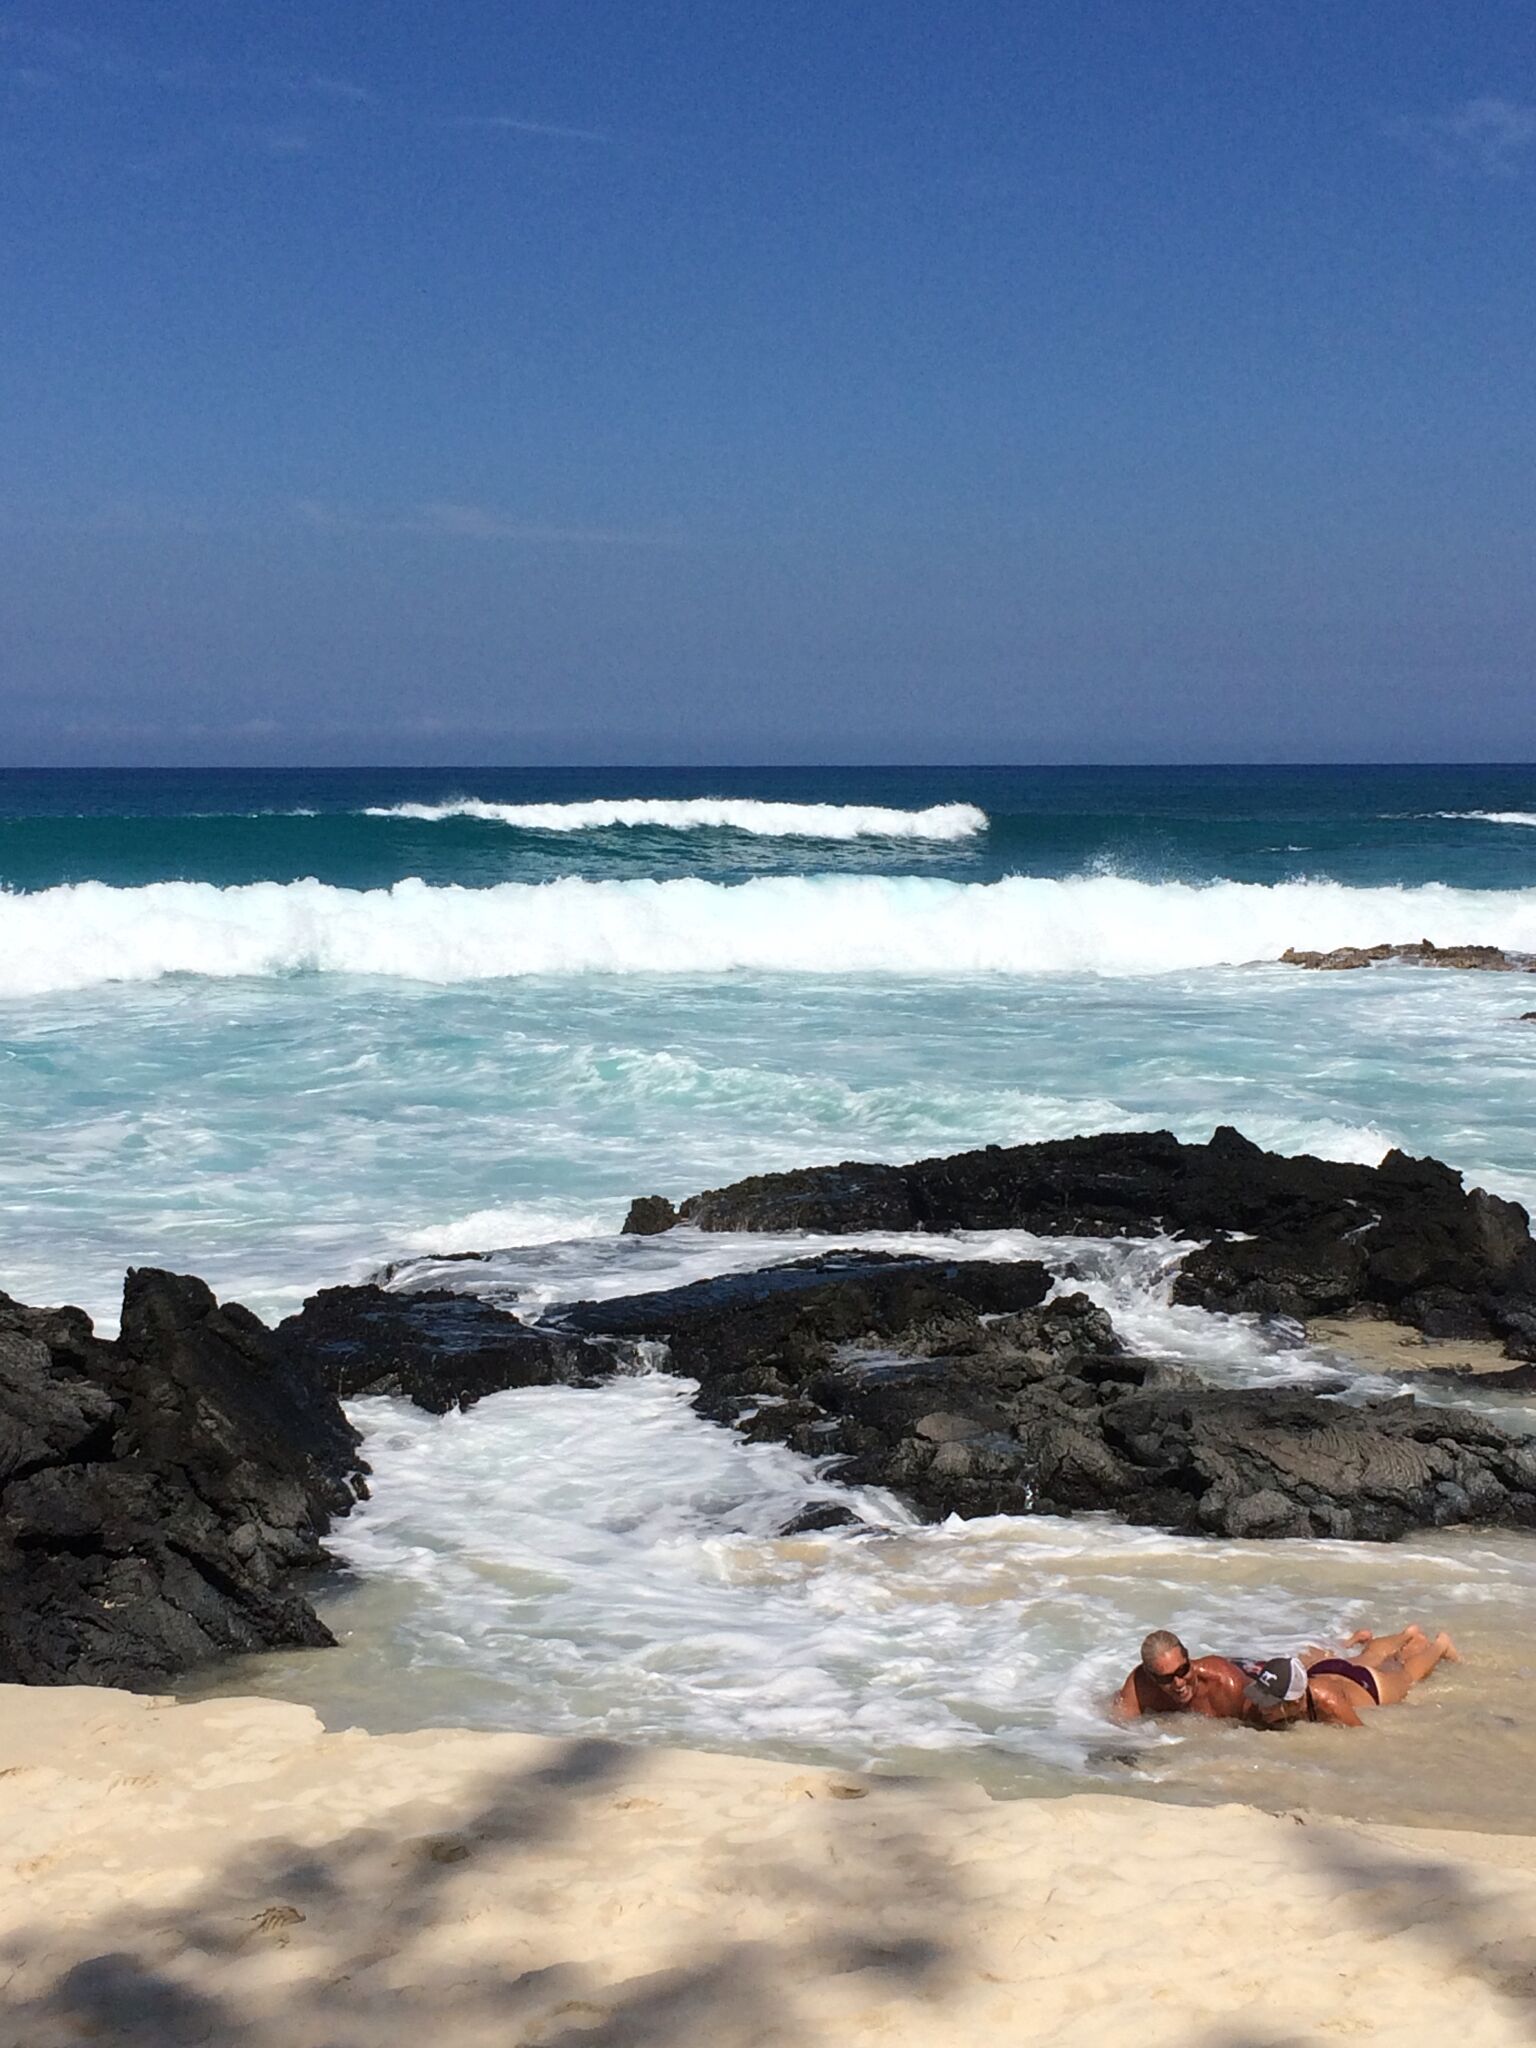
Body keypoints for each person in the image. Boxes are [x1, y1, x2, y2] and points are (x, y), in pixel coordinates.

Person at [1244, 1624, 1461, 1728]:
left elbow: (1361, 1734)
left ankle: (1440, 1645)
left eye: (1271, 1703)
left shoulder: (1329, 1703)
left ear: (1297, 1700)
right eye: (1262, 1698)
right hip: (1326, 1669)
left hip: (1367, 1684)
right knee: (1372, 1654)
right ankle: (1406, 1635)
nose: (1262, 1707)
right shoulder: (1283, 1691)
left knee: (1406, 1675)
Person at [1113, 1629, 1251, 1720]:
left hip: (1245, 1668)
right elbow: (1119, 1734)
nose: (1178, 1683)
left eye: (1182, 1670)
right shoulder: (1140, 1688)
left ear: (1188, 1658)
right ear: (1151, 1677)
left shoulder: (1226, 1684)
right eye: (1166, 1678)